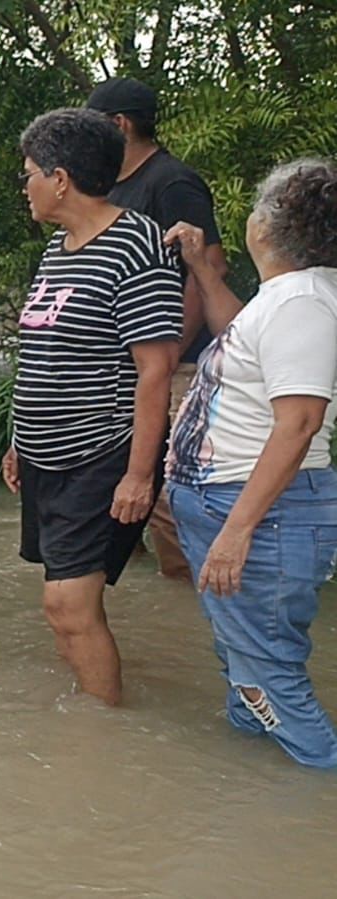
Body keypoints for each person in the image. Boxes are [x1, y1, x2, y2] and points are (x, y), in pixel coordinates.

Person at [0, 108, 183, 705]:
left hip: (101, 453)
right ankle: (89, 716)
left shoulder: (136, 245)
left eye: (28, 173)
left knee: (68, 605)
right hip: (46, 453)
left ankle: (104, 734)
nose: (22, 185)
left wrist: (138, 472)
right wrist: (19, 439)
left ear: (59, 178)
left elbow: (155, 369)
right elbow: (45, 351)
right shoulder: (60, 248)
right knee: (61, 608)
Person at [165, 159, 337, 767]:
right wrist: (204, 272)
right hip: (239, 506)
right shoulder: (286, 299)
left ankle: (315, 795)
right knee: (248, 659)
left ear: (271, 225)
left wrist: (237, 531)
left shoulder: (302, 305)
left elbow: (300, 423)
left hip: (260, 514)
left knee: (269, 676)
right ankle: (258, 788)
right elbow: (246, 341)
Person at [87, 76, 231, 582]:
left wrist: (167, 351)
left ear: (118, 125)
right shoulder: (114, 188)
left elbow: (208, 265)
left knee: (169, 490)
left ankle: (193, 592)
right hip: (130, 364)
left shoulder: (171, 182)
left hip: (176, 364)